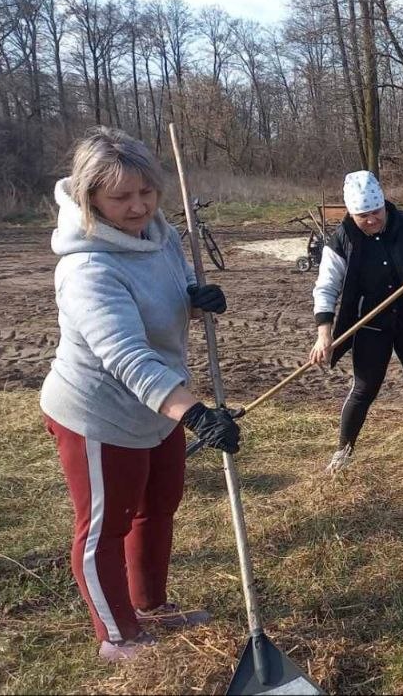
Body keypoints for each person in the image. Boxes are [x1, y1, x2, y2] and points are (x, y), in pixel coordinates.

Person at [40, 127, 241, 662]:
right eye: (120, 197)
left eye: (146, 192)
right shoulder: (87, 268)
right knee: (105, 525)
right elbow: (127, 355)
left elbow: (163, 305)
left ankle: (150, 605)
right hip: (99, 412)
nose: (137, 207)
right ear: (90, 198)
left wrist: (193, 301)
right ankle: (116, 636)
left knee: (158, 505)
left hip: (157, 405)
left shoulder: (163, 234)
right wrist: (195, 413)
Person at [311, 171, 403, 474]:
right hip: (370, 326)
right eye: (363, 215)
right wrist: (324, 333)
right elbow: (326, 286)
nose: (371, 220)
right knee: (364, 388)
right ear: (351, 212)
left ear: (384, 205)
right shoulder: (342, 239)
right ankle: (344, 451)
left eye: (376, 212)